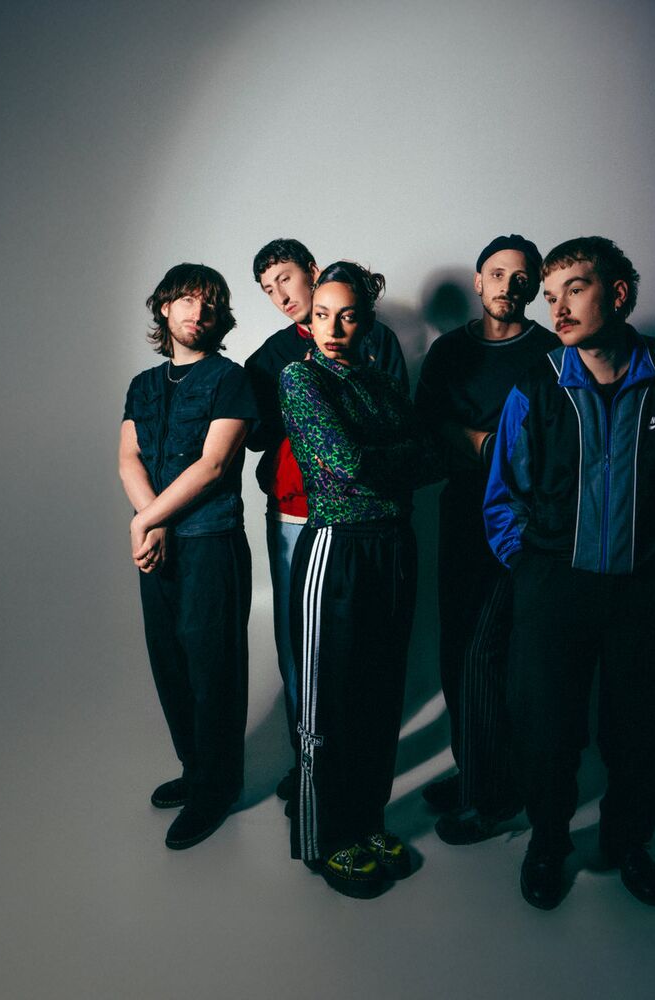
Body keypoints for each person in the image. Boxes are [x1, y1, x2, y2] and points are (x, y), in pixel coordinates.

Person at [484, 237, 655, 909]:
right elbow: (503, 490)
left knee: (643, 726)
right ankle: (548, 843)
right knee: (544, 724)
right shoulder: (538, 381)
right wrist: (530, 570)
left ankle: (627, 843)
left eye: (575, 288)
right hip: (554, 586)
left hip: (646, 587)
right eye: (550, 295)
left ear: (617, 295)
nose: (558, 307)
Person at [278, 261, 440, 898]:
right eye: (322, 315)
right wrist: (394, 455)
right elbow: (346, 464)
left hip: (393, 547)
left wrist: (390, 457)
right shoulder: (301, 378)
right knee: (329, 702)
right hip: (337, 550)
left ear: (367, 323)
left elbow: (432, 456)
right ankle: (324, 837)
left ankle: (367, 822)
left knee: (379, 696)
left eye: (347, 316)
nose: (333, 328)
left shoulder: (379, 381)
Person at [245, 239, 407, 801]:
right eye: (268, 289)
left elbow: (405, 429)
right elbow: (258, 436)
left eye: (286, 279)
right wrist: (312, 424)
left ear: (311, 272)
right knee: (300, 645)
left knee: (364, 648)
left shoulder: (377, 340)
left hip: (369, 522)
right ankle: (307, 762)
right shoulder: (273, 359)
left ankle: (353, 771)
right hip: (294, 512)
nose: (280, 295)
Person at [415, 235, 558, 844]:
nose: (507, 285)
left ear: (535, 287)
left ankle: (493, 797)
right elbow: (424, 424)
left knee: (487, 652)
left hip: (521, 523)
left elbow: (557, 442)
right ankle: (476, 768)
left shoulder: (550, 353)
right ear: (479, 282)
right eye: (497, 274)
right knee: (456, 649)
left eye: (521, 277)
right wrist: (477, 442)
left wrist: (499, 453)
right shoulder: (449, 350)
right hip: (461, 511)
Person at [118, 263, 258, 850]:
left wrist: (145, 520)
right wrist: (150, 521)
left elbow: (215, 465)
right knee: (170, 663)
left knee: (212, 668)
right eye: (185, 301)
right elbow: (129, 456)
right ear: (164, 307)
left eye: (208, 304)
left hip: (211, 542)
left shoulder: (231, 379)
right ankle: (196, 769)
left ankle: (217, 787)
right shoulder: (143, 384)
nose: (197, 312)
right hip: (158, 544)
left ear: (219, 315)